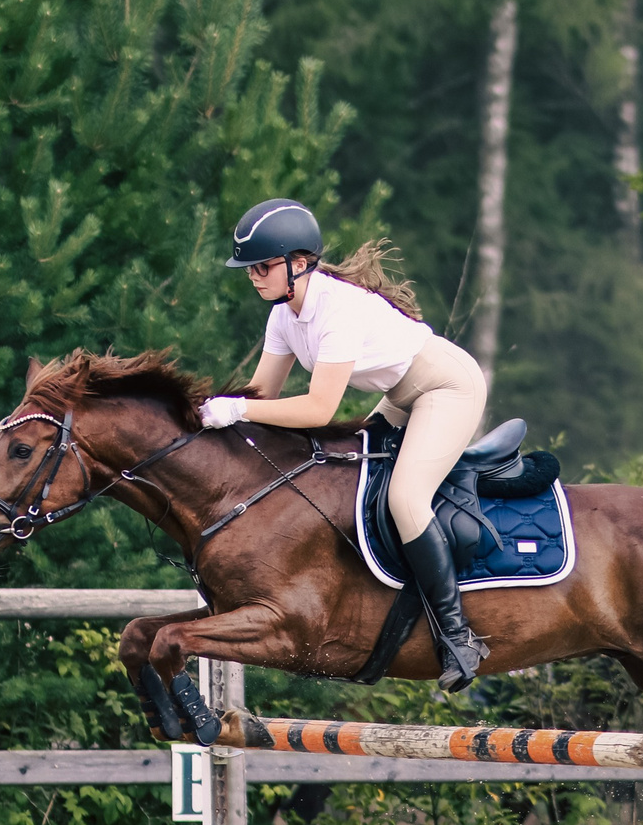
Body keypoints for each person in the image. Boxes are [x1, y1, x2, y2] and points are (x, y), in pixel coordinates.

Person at [200, 200, 491, 684]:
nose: (254, 276)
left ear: (299, 263)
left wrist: (238, 409)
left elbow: (317, 410)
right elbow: (262, 395)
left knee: (405, 496)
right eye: (250, 267)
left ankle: (458, 637)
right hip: (400, 394)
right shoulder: (284, 315)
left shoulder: (336, 310)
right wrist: (209, 413)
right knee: (345, 471)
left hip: (447, 387)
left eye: (264, 265)